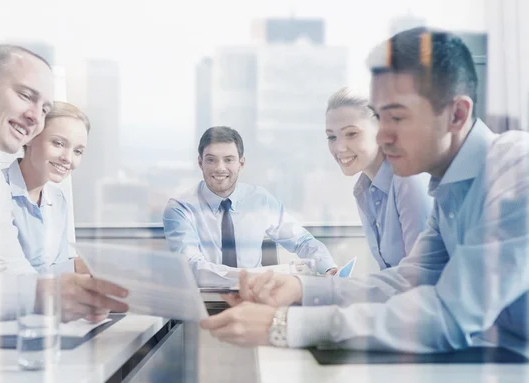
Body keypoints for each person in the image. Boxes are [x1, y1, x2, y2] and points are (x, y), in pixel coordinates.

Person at [201, 27, 529, 353]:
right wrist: (300, 288)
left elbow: (450, 314)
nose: (383, 136)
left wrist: (284, 325)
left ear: (456, 115)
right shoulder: (448, 188)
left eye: (397, 118)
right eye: (380, 118)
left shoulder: (518, 174)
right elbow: (405, 281)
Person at [0, 45, 128, 323]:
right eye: (25, 95)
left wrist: (74, 296)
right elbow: (25, 291)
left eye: (45, 109)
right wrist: (37, 295)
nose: (36, 117)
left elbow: (9, 270)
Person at [163, 126, 338, 287]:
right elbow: (192, 268)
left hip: (255, 299)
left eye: (228, 160)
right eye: (211, 160)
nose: (220, 168)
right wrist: (255, 276)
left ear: (241, 163)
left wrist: (328, 267)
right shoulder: (180, 208)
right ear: (200, 162)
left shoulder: (260, 199)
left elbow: (302, 241)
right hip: (205, 303)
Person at [325, 87, 432, 269]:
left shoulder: (408, 178)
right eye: (332, 137)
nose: (339, 147)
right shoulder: (364, 190)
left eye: (351, 134)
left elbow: (423, 273)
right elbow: (389, 272)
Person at [3, 101, 89, 273]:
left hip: (44, 297)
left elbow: (53, 267)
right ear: (30, 138)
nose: (68, 158)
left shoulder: (58, 200)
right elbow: (1, 272)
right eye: (58, 143)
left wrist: (77, 267)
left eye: (77, 151)